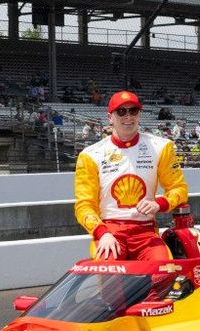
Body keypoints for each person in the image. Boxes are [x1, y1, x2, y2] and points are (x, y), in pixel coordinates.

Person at [73, 90, 188, 261]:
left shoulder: (161, 147)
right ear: (110, 117)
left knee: (164, 270)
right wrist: (102, 233)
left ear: (139, 114)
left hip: (146, 232)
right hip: (110, 231)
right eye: (121, 111)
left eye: (133, 111)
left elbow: (179, 189)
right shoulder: (90, 155)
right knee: (110, 273)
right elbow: (84, 205)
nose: (128, 116)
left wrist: (159, 203)